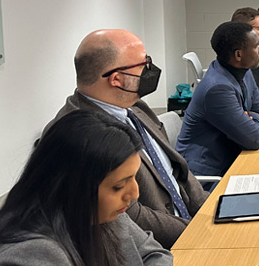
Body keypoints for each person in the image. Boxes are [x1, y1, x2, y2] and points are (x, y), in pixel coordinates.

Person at [0, 110, 237, 266]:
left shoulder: (96, 214)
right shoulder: (24, 262)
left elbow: (153, 254)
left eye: (133, 178)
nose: (134, 194)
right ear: (72, 188)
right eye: (119, 186)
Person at [44, 29, 208, 249]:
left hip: (192, 226)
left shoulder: (135, 105)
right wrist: (198, 233)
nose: (150, 69)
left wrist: (209, 212)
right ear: (117, 79)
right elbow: (130, 215)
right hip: (160, 247)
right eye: (144, 64)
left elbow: (177, 170)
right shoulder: (75, 136)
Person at [176, 21, 259, 177]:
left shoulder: (244, 71)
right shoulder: (217, 89)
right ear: (238, 55)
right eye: (256, 46)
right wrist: (254, 118)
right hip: (206, 175)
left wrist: (252, 118)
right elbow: (254, 138)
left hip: (234, 155)